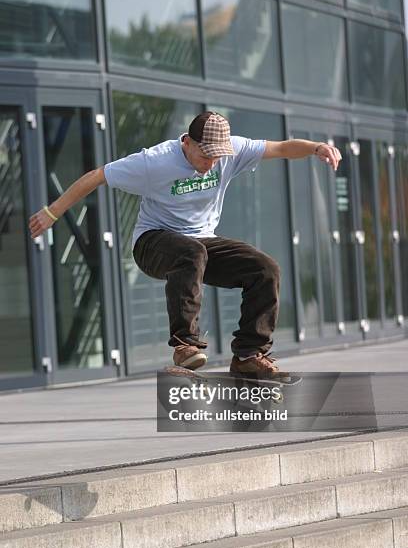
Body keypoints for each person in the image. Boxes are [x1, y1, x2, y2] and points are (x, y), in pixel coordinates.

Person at [29, 111, 341, 378]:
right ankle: (184, 345)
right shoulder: (153, 162)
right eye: (205, 154)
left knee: (264, 269)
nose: (212, 162)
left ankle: (248, 355)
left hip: (202, 242)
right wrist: (52, 212)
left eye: (217, 155)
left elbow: (281, 148)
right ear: (186, 143)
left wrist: (316, 148)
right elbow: (96, 176)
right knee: (192, 252)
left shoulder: (231, 150)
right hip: (152, 243)